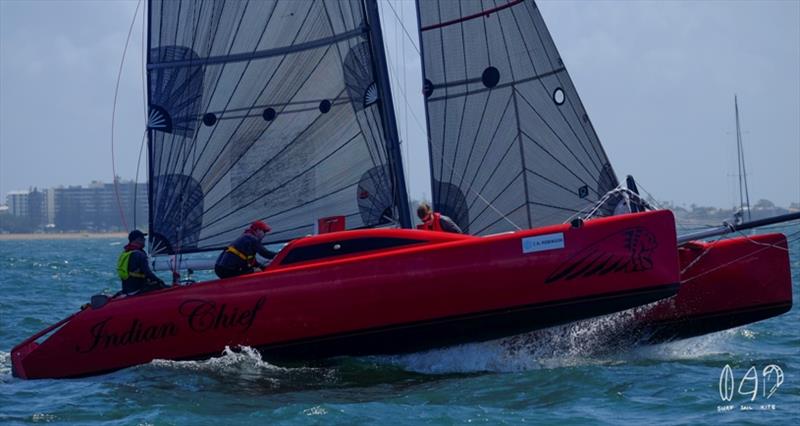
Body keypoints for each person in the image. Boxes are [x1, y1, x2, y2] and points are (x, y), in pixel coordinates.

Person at [117, 230, 168, 296]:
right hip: (138, 290)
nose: (144, 240)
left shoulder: (125, 253)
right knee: (163, 286)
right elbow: (148, 273)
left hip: (127, 290)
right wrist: (160, 281)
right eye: (143, 239)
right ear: (137, 240)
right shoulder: (139, 254)